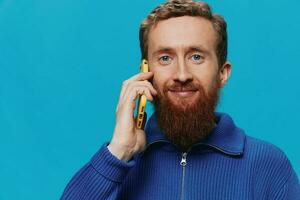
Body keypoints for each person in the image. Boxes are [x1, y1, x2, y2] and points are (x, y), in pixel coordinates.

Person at [60, 0, 300, 199]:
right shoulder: (118, 165)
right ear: (145, 72)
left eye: (196, 57)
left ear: (222, 73)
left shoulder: (268, 165)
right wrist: (118, 153)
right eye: (165, 58)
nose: (182, 75)